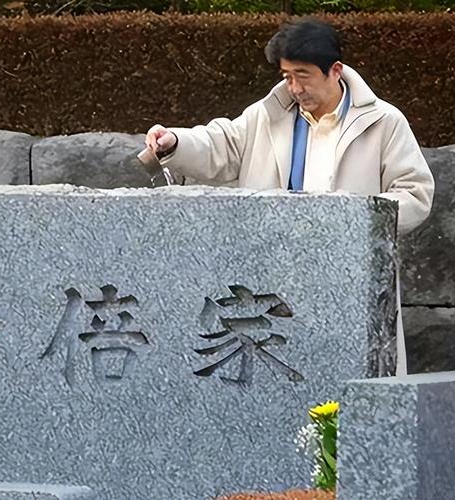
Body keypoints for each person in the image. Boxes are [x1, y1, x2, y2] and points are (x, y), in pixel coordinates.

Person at [144, 18, 434, 375]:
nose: (294, 87)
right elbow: (222, 144)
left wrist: (353, 221)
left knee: (346, 377)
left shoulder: (384, 121)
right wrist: (176, 141)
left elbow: (415, 193)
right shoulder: (267, 115)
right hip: (273, 277)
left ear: (335, 71)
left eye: (303, 75)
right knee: (279, 376)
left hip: (349, 276)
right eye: (286, 76)